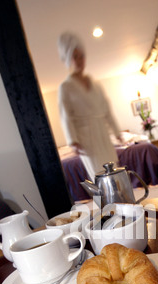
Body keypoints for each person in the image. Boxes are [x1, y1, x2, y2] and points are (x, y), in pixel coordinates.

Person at [58, 32, 123, 180]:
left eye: (82, 56)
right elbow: (65, 116)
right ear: (69, 60)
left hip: (103, 134)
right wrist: (72, 141)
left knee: (115, 171)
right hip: (86, 139)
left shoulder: (96, 84)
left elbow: (107, 110)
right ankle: (105, 203)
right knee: (99, 176)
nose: (80, 60)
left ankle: (123, 201)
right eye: (75, 57)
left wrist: (117, 132)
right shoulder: (66, 87)